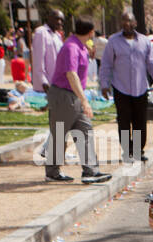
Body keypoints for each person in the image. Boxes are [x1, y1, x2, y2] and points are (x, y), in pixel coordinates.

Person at [45, 17, 110, 183]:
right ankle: (52, 172)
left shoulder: (79, 45)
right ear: (90, 32)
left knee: (85, 130)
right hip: (63, 95)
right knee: (60, 133)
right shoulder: (71, 47)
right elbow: (71, 74)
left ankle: (90, 171)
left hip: (74, 95)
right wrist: (85, 100)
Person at [100, 9, 153, 163]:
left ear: (135, 23)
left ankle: (137, 150)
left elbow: (152, 63)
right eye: (124, 21)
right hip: (121, 88)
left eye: (130, 21)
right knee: (124, 121)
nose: (127, 24)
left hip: (141, 88)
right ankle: (127, 150)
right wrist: (104, 84)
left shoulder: (144, 41)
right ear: (121, 23)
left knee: (139, 121)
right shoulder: (113, 42)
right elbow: (106, 64)